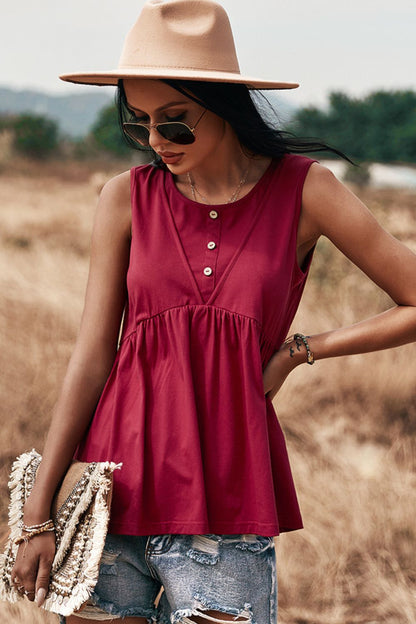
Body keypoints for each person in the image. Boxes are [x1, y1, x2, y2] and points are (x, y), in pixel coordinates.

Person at [11, 0, 416, 623]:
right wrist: (39, 512)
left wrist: (298, 352)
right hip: (110, 500)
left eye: (175, 123)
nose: (156, 142)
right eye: (140, 123)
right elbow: (92, 358)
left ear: (224, 108)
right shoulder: (125, 198)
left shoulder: (306, 191)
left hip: (225, 501)